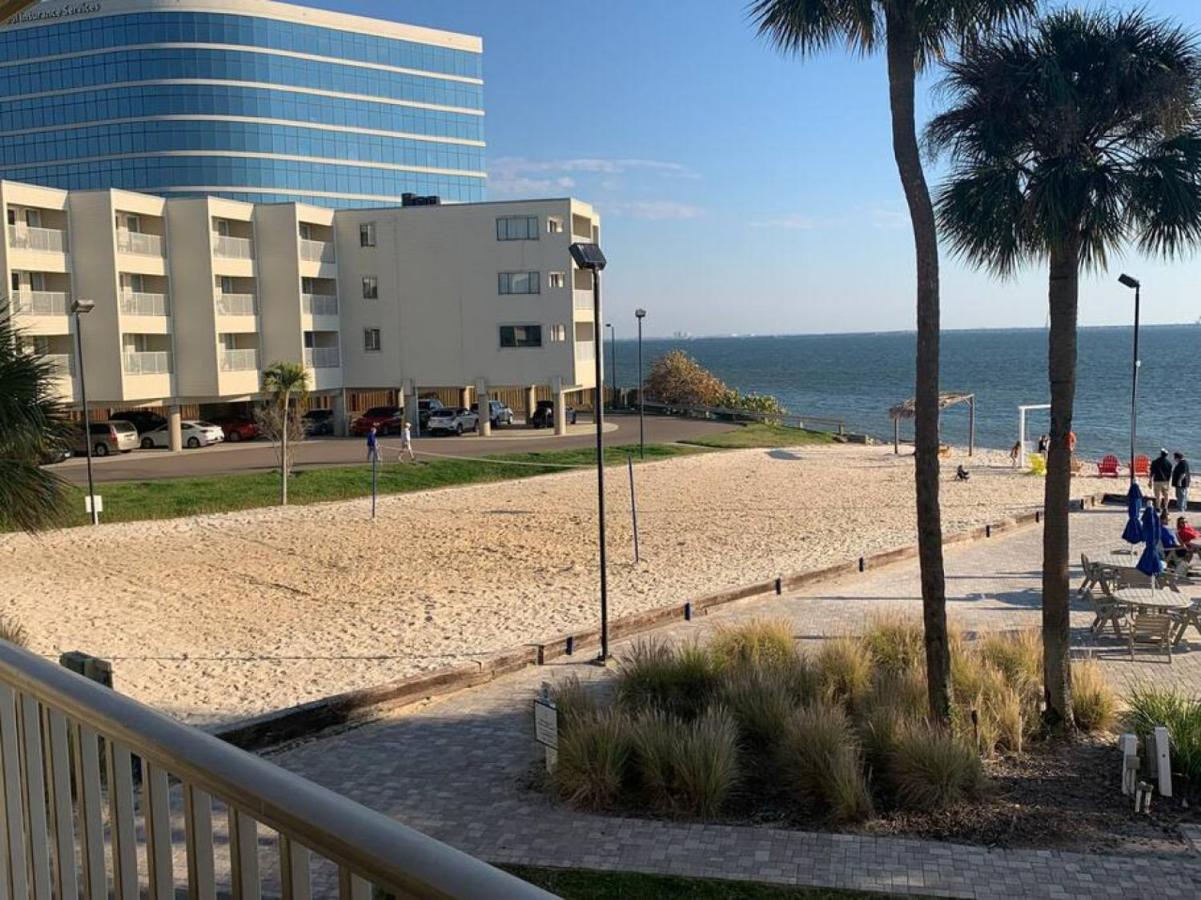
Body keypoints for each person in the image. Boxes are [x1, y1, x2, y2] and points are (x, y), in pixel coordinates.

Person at [1150, 448, 1173, 516]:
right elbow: (1170, 474)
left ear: (1160, 454)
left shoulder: (1155, 462)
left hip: (1157, 480)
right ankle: (1165, 507)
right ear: (1167, 455)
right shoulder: (1169, 463)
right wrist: (1169, 482)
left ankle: (1158, 508)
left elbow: (1152, 472)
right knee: (1166, 495)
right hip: (1166, 481)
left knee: (1158, 495)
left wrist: (1150, 480)